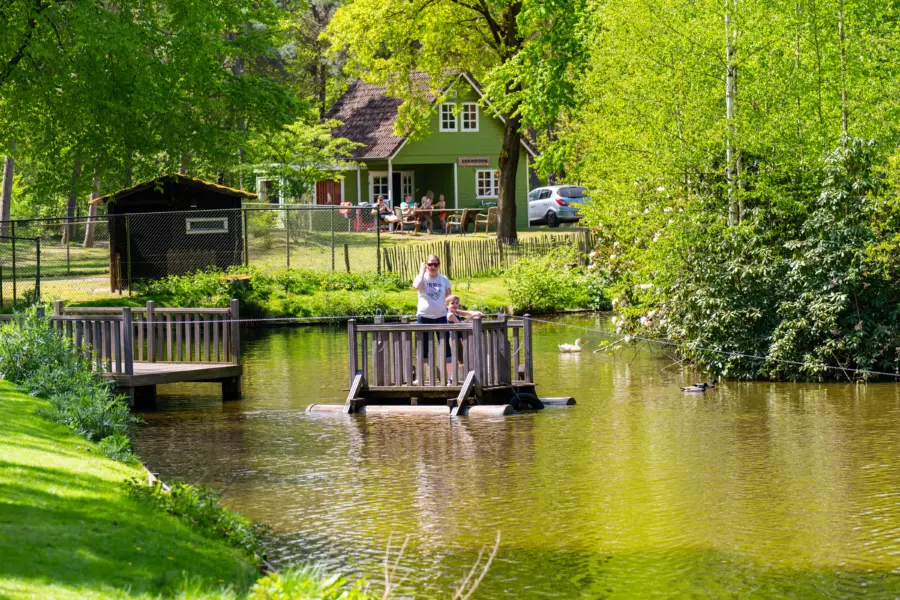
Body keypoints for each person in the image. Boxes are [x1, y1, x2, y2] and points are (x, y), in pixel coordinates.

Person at [413, 254, 451, 383]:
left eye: (435, 264)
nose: (433, 267)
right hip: (424, 317)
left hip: (441, 317)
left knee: (446, 348)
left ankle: (451, 377)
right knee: (422, 348)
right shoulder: (421, 278)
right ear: (426, 265)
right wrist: (421, 271)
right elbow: (417, 286)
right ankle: (420, 378)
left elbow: (449, 297)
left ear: (439, 265)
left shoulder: (444, 279)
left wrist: (457, 313)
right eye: (430, 264)